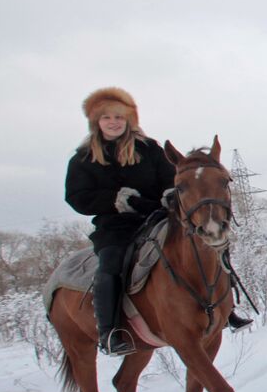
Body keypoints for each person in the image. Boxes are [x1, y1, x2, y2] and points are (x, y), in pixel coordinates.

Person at [65, 87, 251, 356]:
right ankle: (109, 332)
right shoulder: (82, 160)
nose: (114, 122)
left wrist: (168, 196)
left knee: (208, 244)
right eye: (107, 118)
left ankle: (228, 309)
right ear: (97, 122)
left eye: (119, 117)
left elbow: (171, 180)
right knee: (111, 263)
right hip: (116, 227)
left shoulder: (148, 148)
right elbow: (77, 197)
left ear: (130, 119)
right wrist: (118, 201)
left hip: (157, 216)